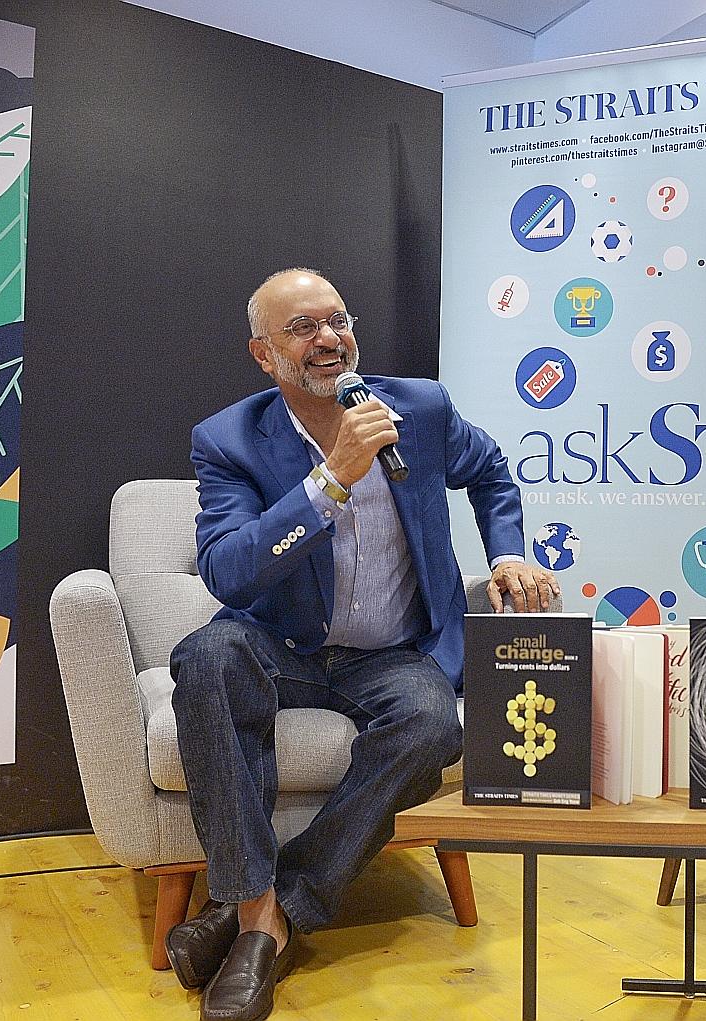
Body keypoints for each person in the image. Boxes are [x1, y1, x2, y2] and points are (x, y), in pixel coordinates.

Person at [164, 268, 558, 1021]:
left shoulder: (419, 407)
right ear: (263, 354)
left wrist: (507, 550)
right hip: (278, 642)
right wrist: (329, 481)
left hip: (392, 653)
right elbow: (227, 570)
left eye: (338, 321)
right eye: (303, 327)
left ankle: (268, 914)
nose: (329, 339)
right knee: (205, 658)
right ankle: (254, 915)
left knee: (433, 723)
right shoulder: (228, 439)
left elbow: (492, 471)